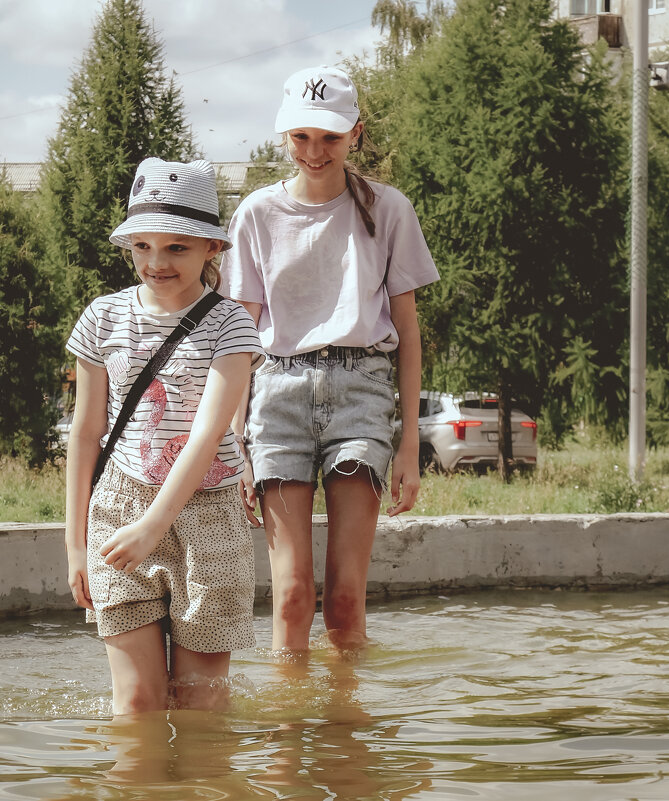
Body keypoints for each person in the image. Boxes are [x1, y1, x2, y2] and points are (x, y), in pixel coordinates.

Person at [220, 65, 439, 655]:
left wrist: (410, 445)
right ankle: (285, 741)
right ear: (284, 135)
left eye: (330, 137)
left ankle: (347, 741)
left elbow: (409, 332)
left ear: (356, 135)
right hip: (277, 400)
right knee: (291, 596)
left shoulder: (389, 210)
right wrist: (236, 442)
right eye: (301, 136)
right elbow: (238, 338)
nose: (314, 152)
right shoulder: (255, 216)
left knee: (345, 600)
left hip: (362, 393)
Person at [64, 157, 264, 715]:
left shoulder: (230, 324)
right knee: (137, 702)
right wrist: (75, 544)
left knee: (200, 704)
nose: (156, 261)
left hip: (210, 519)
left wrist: (156, 526)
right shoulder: (101, 318)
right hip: (118, 512)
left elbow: (208, 434)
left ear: (212, 250)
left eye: (176, 247)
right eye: (143, 246)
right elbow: (84, 435)